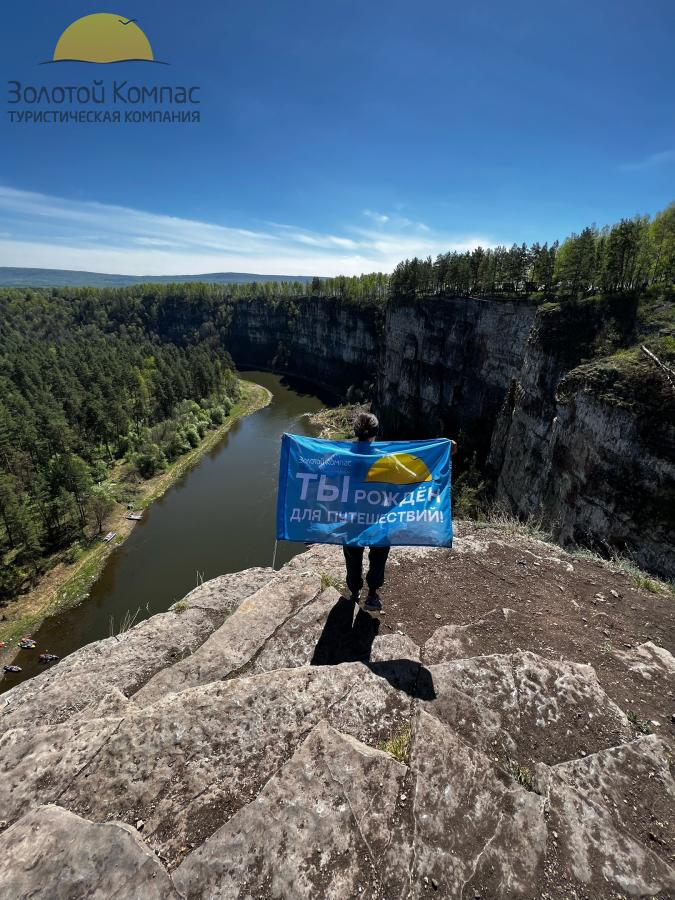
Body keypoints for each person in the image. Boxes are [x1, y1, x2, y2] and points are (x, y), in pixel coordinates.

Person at [343, 412, 390, 613]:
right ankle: (372, 594)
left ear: (355, 431)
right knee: (378, 557)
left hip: (352, 518)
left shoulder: (344, 455)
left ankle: (354, 593)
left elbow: (318, 472)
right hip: (379, 518)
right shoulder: (385, 458)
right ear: (376, 432)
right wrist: (445, 448)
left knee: (353, 558)